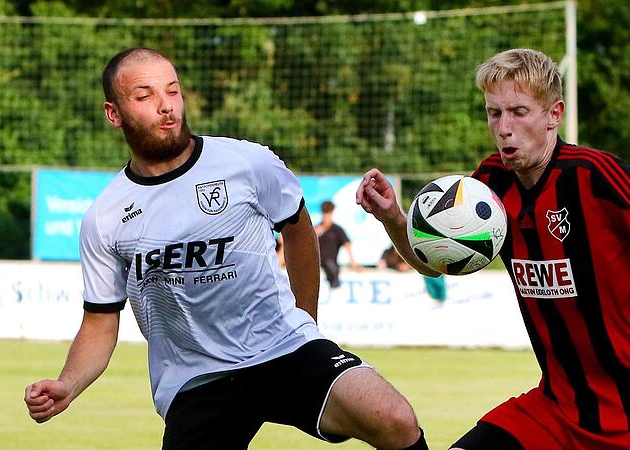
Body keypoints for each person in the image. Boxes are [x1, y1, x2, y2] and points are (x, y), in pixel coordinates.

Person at [24, 48, 428, 450]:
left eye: (173, 91)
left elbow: (300, 230)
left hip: (284, 347)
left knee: (394, 419)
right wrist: (68, 383)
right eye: (145, 96)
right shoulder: (105, 217)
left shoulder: (247, 162)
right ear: (114, 113)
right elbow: (100, 322)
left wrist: (307, 324)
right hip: (197, 380)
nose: (166, 106)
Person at [356, 48, 630, 449]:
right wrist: (393, 218)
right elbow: (434, 264)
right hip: (554, 412)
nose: (504, 127)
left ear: (554, 114)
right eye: (495, 113)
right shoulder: (489, 185)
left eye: (518, 112)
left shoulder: (596, 176)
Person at [315, 200, 362, 288]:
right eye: (325, 214)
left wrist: (353, 263)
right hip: (316, 263)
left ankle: (334, 283)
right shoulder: (316, 230)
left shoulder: (337, 230)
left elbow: (347, 245)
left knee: (331, 266)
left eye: (328, 214)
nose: (326, 217)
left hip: (332, 263)